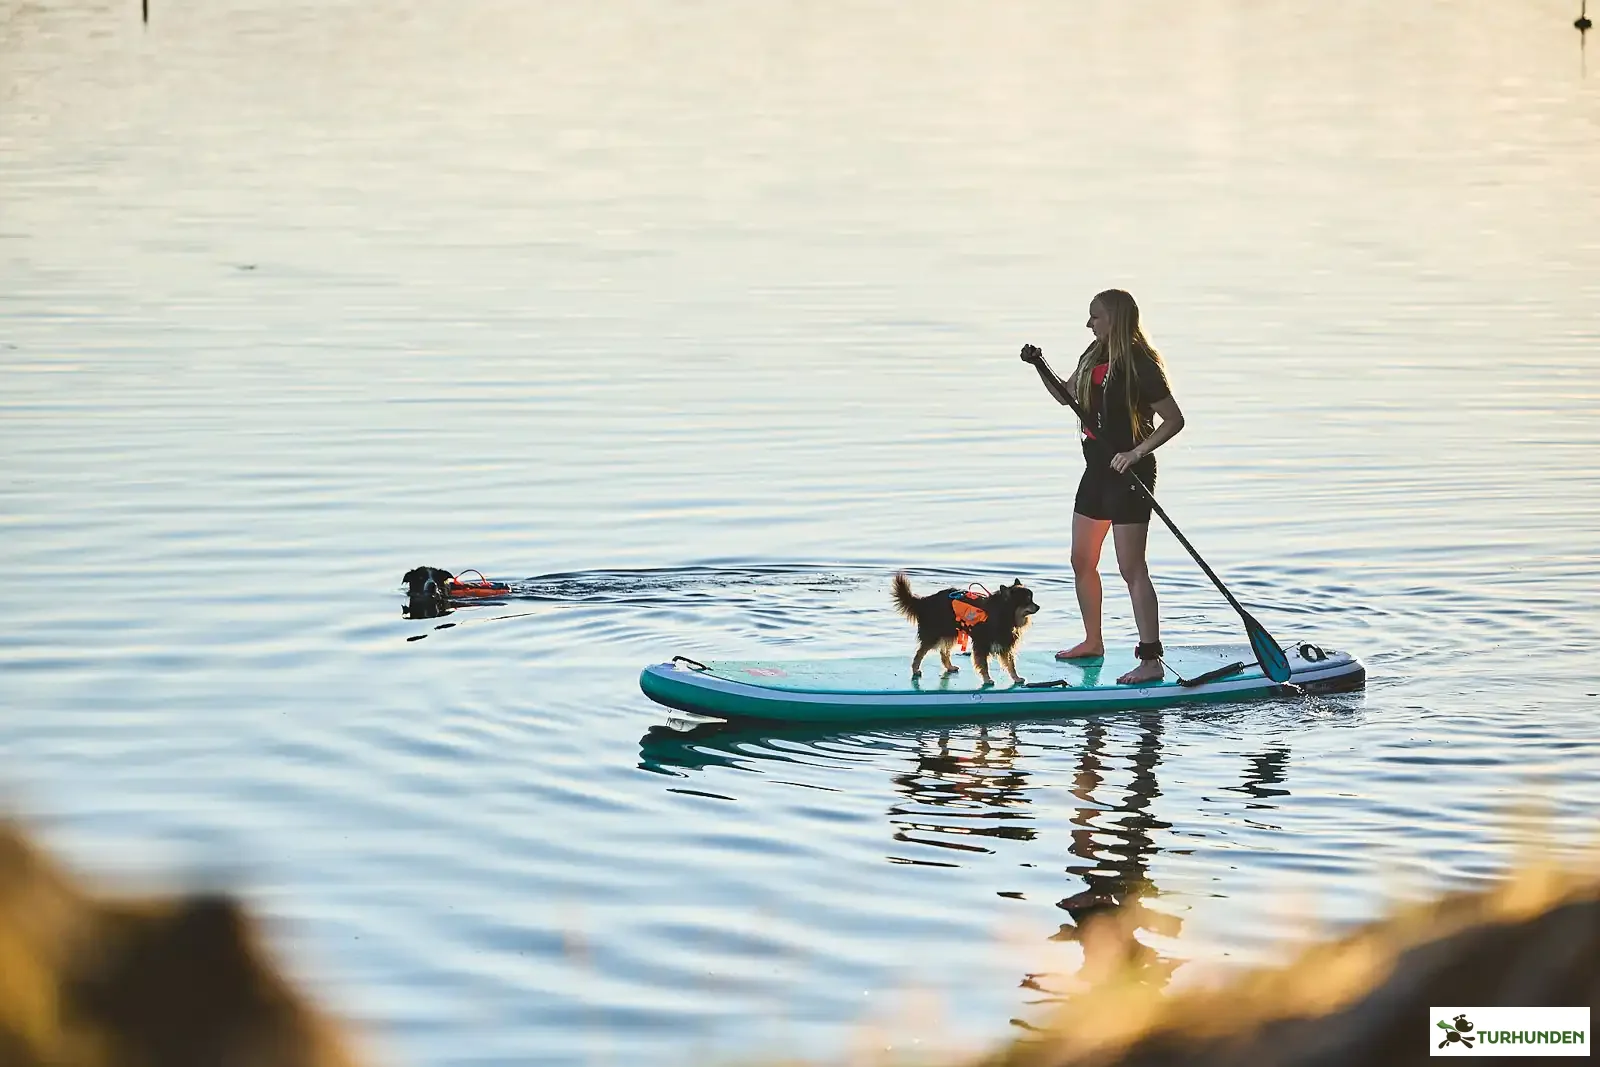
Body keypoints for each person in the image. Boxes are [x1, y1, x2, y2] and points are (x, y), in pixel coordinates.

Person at [1020, 289, 1186, 685]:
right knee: (1082, 560)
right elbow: (1065, 396)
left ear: (1114, 318)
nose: (1088, 323)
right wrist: (1039, 366)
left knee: (1131, 568)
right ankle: (1093, 641)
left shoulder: (1142, 365)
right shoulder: (1092, 355)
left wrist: (1136, 453)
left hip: (1130, 475)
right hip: (1095, 470)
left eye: (1094, 317)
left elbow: (1174, 419)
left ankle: (1150, 660)